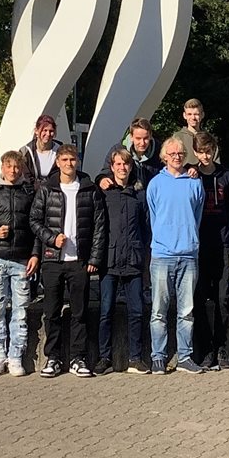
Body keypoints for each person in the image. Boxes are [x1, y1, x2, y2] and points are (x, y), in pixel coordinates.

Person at [30, 143, 107, 378]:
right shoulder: (47, 188)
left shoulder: (89, 188)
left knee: (79, 312)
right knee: (51, 312)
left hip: (80, 261)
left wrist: (93, 257)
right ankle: (52, 357)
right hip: (53, 260)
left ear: (77, 161)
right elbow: (34, 220)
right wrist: (52, 239)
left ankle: (78, 357)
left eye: (72, 160)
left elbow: (99, 227)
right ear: (57, 162)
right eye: (64, 160)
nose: (69, 164)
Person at [0, 151, 39, 377]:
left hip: (22, 261)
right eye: (9, 166)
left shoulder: (29, 194)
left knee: (20, 311)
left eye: (16, 167)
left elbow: (36, 228)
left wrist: (35, 254)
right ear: (2, 167)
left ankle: (15, 356)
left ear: (21, 168)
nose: (13, 170)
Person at [145, 137, 204, 374]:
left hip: (189, 255)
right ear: (164, 157)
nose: (177, 157)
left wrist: (190, 241)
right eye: (172, 154)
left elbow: (197, 214)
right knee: (158, 310)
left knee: (187, 311)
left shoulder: (195, 183)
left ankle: (185, 356)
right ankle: (158, 357)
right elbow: (152, 214)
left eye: (180, 153)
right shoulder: (155, 184)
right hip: (161, 255)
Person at [96, 147, 151, 374]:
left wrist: (143, 253)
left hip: (133, 260)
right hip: (109, 260)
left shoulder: (140, 194)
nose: (122, 168)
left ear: (131, 167)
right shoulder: (104, 193)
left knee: (137, 311)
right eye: (118, 164)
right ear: (111, 167)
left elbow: (146, 226)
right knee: (105, 311)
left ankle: (135, 358)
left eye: (125, 164)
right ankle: (104, 358)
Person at [191, 131, 229, 370]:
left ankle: (221, 346)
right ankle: (205, 349)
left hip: (221, 244)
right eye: (201, 152)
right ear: (195, 152)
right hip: (197, 246)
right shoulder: (191, 174)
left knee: (222, 299)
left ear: (214, 150)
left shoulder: (225, 175)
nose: (205, 156)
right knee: (198, 299)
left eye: (208, 151)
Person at [97, 117, 161, 193]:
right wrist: (102, 179)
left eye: (145, 138)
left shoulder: (160, 152)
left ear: (150, 136)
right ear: (131, 137)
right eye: (138, 138)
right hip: (128, 196)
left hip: (152, 196)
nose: (142, 143)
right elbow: (106, 171)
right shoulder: (118, 149)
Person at [18, 114, 63, 194]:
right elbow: (25, 178)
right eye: (44, 130)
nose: (48, 134)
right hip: (32, 195)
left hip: (55, 194)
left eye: (51, 131)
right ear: (36, 131)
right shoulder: (25, 152)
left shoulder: (61, 150)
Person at [170, 98, 217, 173]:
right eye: (189, 114)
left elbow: (215, 163)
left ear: (202, 115)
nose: (193, 118)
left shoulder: (209, 138)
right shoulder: (177, 137)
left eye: (196, 114)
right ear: (184, 115)